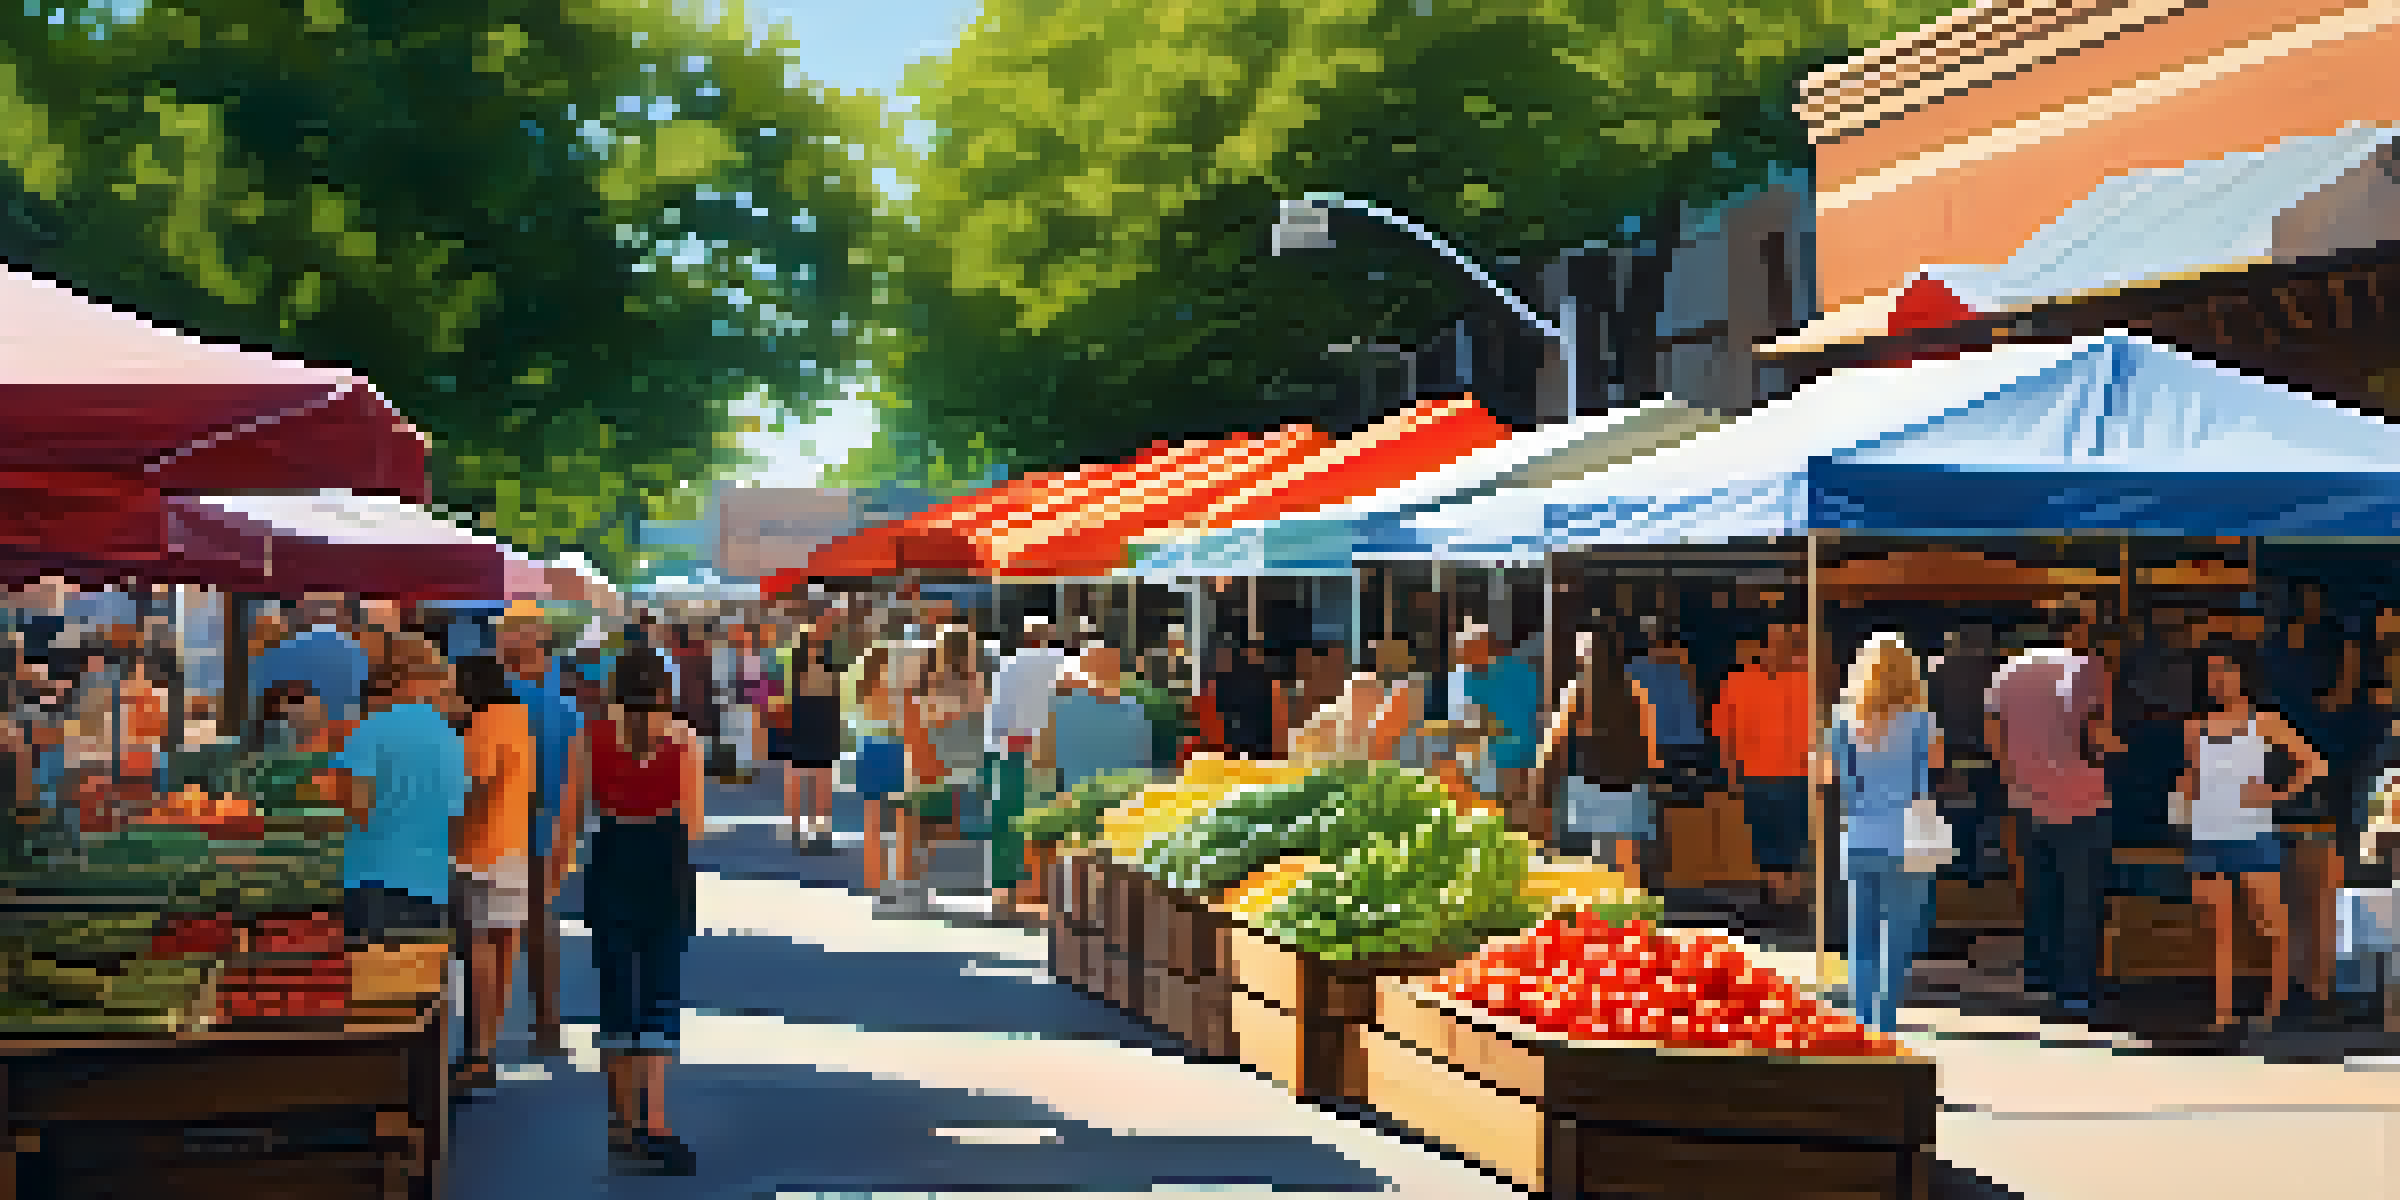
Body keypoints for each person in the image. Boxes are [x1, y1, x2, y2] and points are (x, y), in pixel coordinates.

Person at [545, 649, 701, 1176]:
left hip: (610, 861)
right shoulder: (684, 739)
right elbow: (694, 823)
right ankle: (655, 1120)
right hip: (664, 864)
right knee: (661, 989)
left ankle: (619, 1119)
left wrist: (553, 877)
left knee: (616, 988)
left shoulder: (589, 739)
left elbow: (570, 818)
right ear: (664, 692)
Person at [2177, 649, 2322, 1035]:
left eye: (2226, 670)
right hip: (2207, 833)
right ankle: (2222, 1011)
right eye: (2212, 673)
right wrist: (2184, 804)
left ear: (2243, 675)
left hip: (2252, 831)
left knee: (2268, 922)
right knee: (2217, 929)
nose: (2219, 680)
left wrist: (2276, 794)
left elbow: (2312, 763)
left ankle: (2275, 1007)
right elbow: (2191, 775)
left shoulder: (2266, 722)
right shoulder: (2196, 727)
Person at [1986, 613, 2116, 1017]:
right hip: (2080, 798)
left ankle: (2039, 975)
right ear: (2078, 632)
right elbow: (2098, 736)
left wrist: (2011, 771)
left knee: (2040, 890)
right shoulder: (2088, 670)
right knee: (2080, 896)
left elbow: (1993, 731)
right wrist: (2118, 751)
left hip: (2026, 798)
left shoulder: (2007, 672)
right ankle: (2075, 989)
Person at [1824, 633, 1946, 1035]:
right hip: (1906, 835)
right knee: (1896, 936)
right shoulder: (1918, 714)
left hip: (1858, 833)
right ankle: (1885, 1021)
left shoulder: (1845, 716)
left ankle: (1860, 1022)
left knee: (1860, 937)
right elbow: (1935, 763)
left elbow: (1831, 775)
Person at [334, 645, 469, 950]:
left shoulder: (368, 731)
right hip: (430, 880)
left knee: (370, 984)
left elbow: (353, 805)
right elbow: (456, 814)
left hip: (372, 876)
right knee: (417, 984)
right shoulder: (451, 738)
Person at [449, 655, 533, 1094]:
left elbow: (475, 785)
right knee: (501, 950)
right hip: (511, 847)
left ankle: (477, 1052)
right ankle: (488, 1042)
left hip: (476, 852)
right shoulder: (517, 724)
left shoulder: (481, 729)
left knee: (476, 951)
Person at [1713, 624, 1814, 908]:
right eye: (1774, 643)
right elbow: (1725, 735)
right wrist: (1731, 772)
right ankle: (1782, 903)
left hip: (1791, 776)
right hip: (1766, 776)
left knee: (1787, 844)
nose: (1778, 650)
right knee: (1775, 844)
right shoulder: (1739, 681)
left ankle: (1787, 903)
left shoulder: (1805, 680)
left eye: (1784, 643)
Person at [1548, 628, 1661, 875]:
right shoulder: (1634, 690)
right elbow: (1650, 744)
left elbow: (1553, 743)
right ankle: (1630, 910)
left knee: (1586, 869)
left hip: (1588, 791)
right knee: (1627, 868)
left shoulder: (1577, 693)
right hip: (1628, 789)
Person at [985, 618, 1067, 914]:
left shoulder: (1009, 665)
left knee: (1007, 821)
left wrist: (995, 747)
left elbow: (998, 714)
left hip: (1014, 750)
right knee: (1047, 821)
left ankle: (1003, 889)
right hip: (1053, 752)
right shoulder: (1065, 663)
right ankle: (1042, 888)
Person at [1928, 623, 2008, 886]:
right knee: (1986, 819)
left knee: (1953, 819)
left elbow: (1929, 717)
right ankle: (1982, 876)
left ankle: (1952, 877)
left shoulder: (1937, 673)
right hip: (1989, 757)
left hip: (1949, 757)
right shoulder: (1997, 673)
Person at [1457, 623, 1544, 837]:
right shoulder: (1470, 678)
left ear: (1486, 646)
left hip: (1521, 748)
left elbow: (1530, 715)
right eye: (1461, 653)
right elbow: (1479, 724)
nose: (1463, 658)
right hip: (1495, 750)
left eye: (1467, 650)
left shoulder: (1516, 671)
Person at [774, 610, 843, 855]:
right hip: (812, 717)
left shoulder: (808, 658)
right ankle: (806, 830)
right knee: (808, 778)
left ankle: (814, 830)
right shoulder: (815, 659)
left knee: (816, 779)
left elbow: (834, 693)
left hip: (814, 717)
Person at [253, 593, 371, 722]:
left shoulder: (279, 652)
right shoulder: (357, 653)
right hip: (344, 727)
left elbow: (262, 692)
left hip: (287, 726)